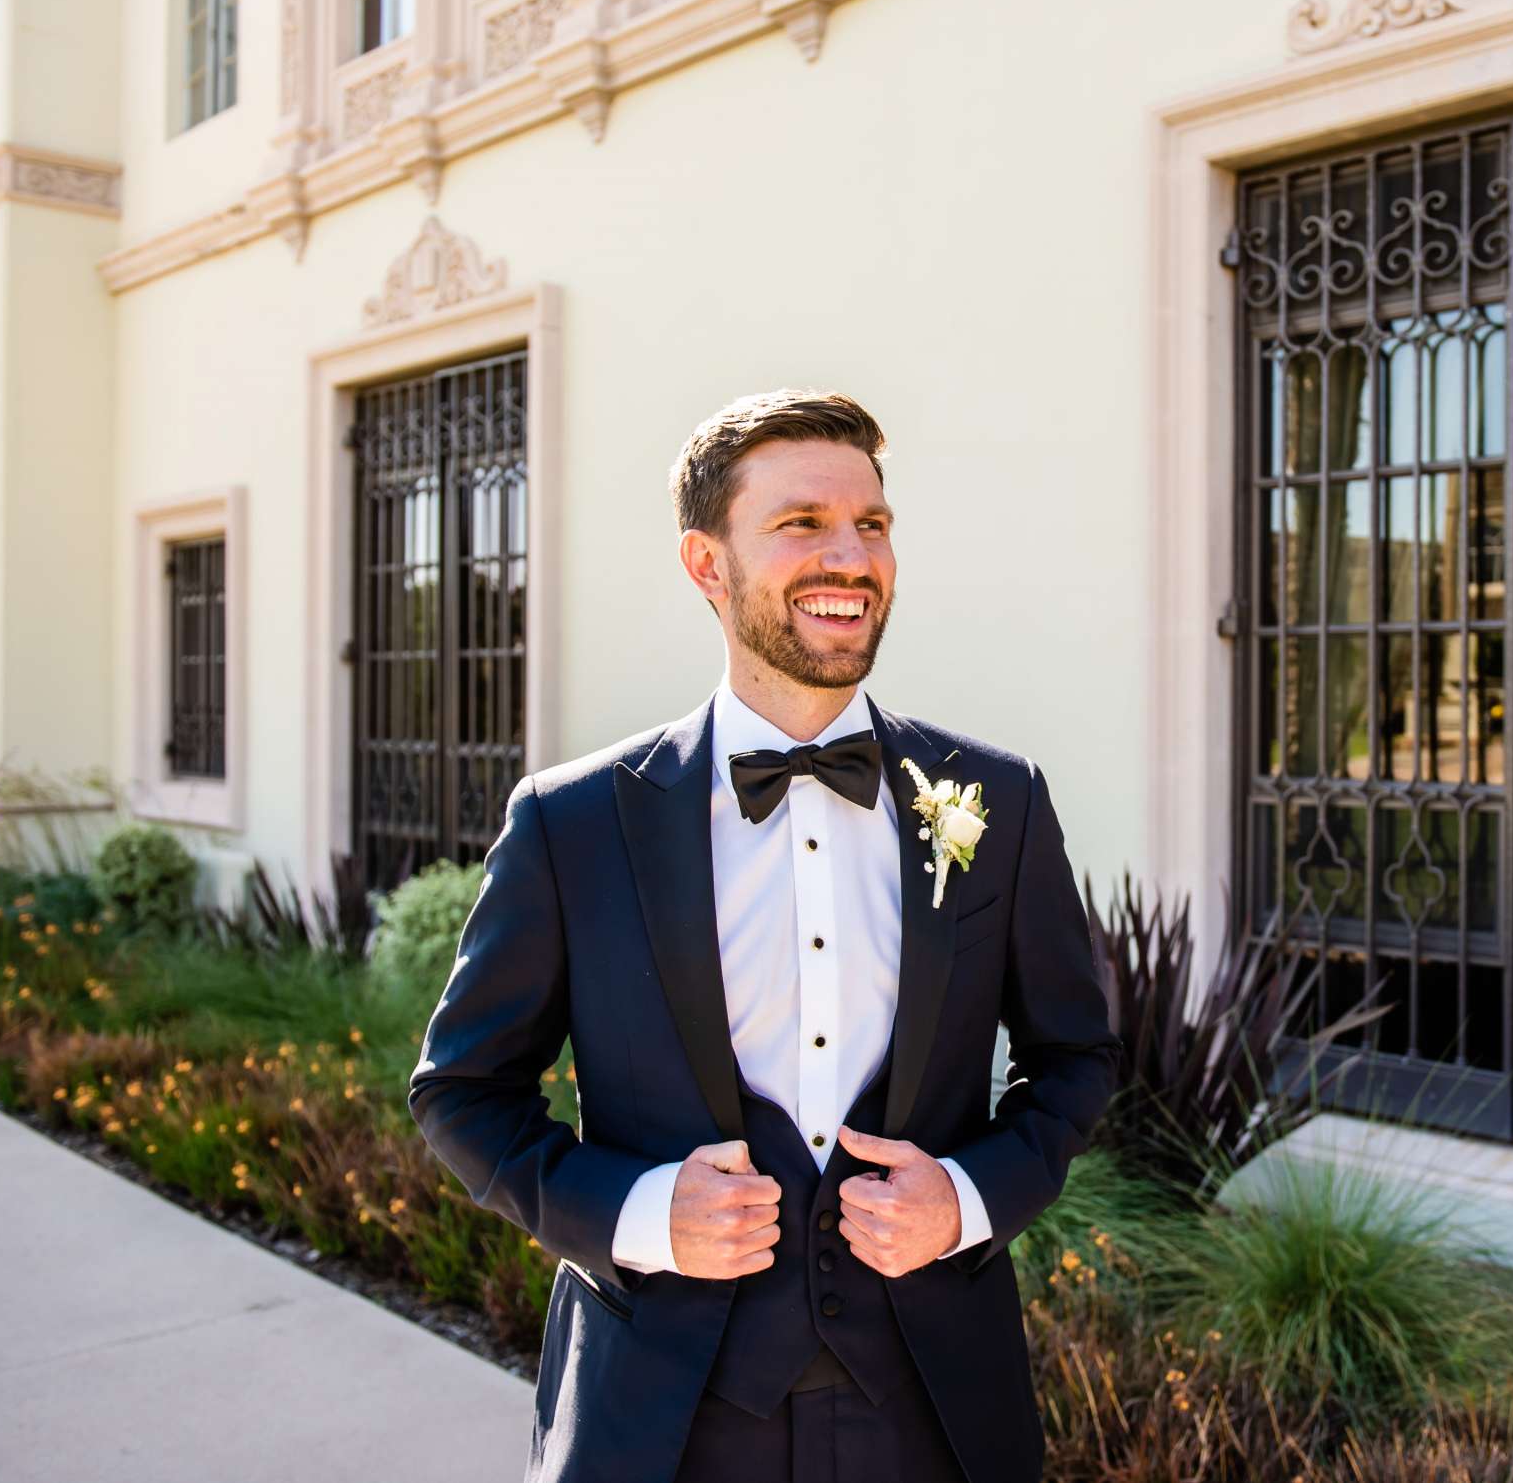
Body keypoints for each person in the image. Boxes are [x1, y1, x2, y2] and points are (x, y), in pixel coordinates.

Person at [408, 389, 1122, 1483]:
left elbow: (1076, 1057)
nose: (851, 557)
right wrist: (641, 1213)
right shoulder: (573, 823)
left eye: (872, 526)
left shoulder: (995, 798)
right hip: (660, 1418)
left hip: (938, 1409)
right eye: (802, 525)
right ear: (706, 564)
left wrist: (968, 1200)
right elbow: (461, 1092)